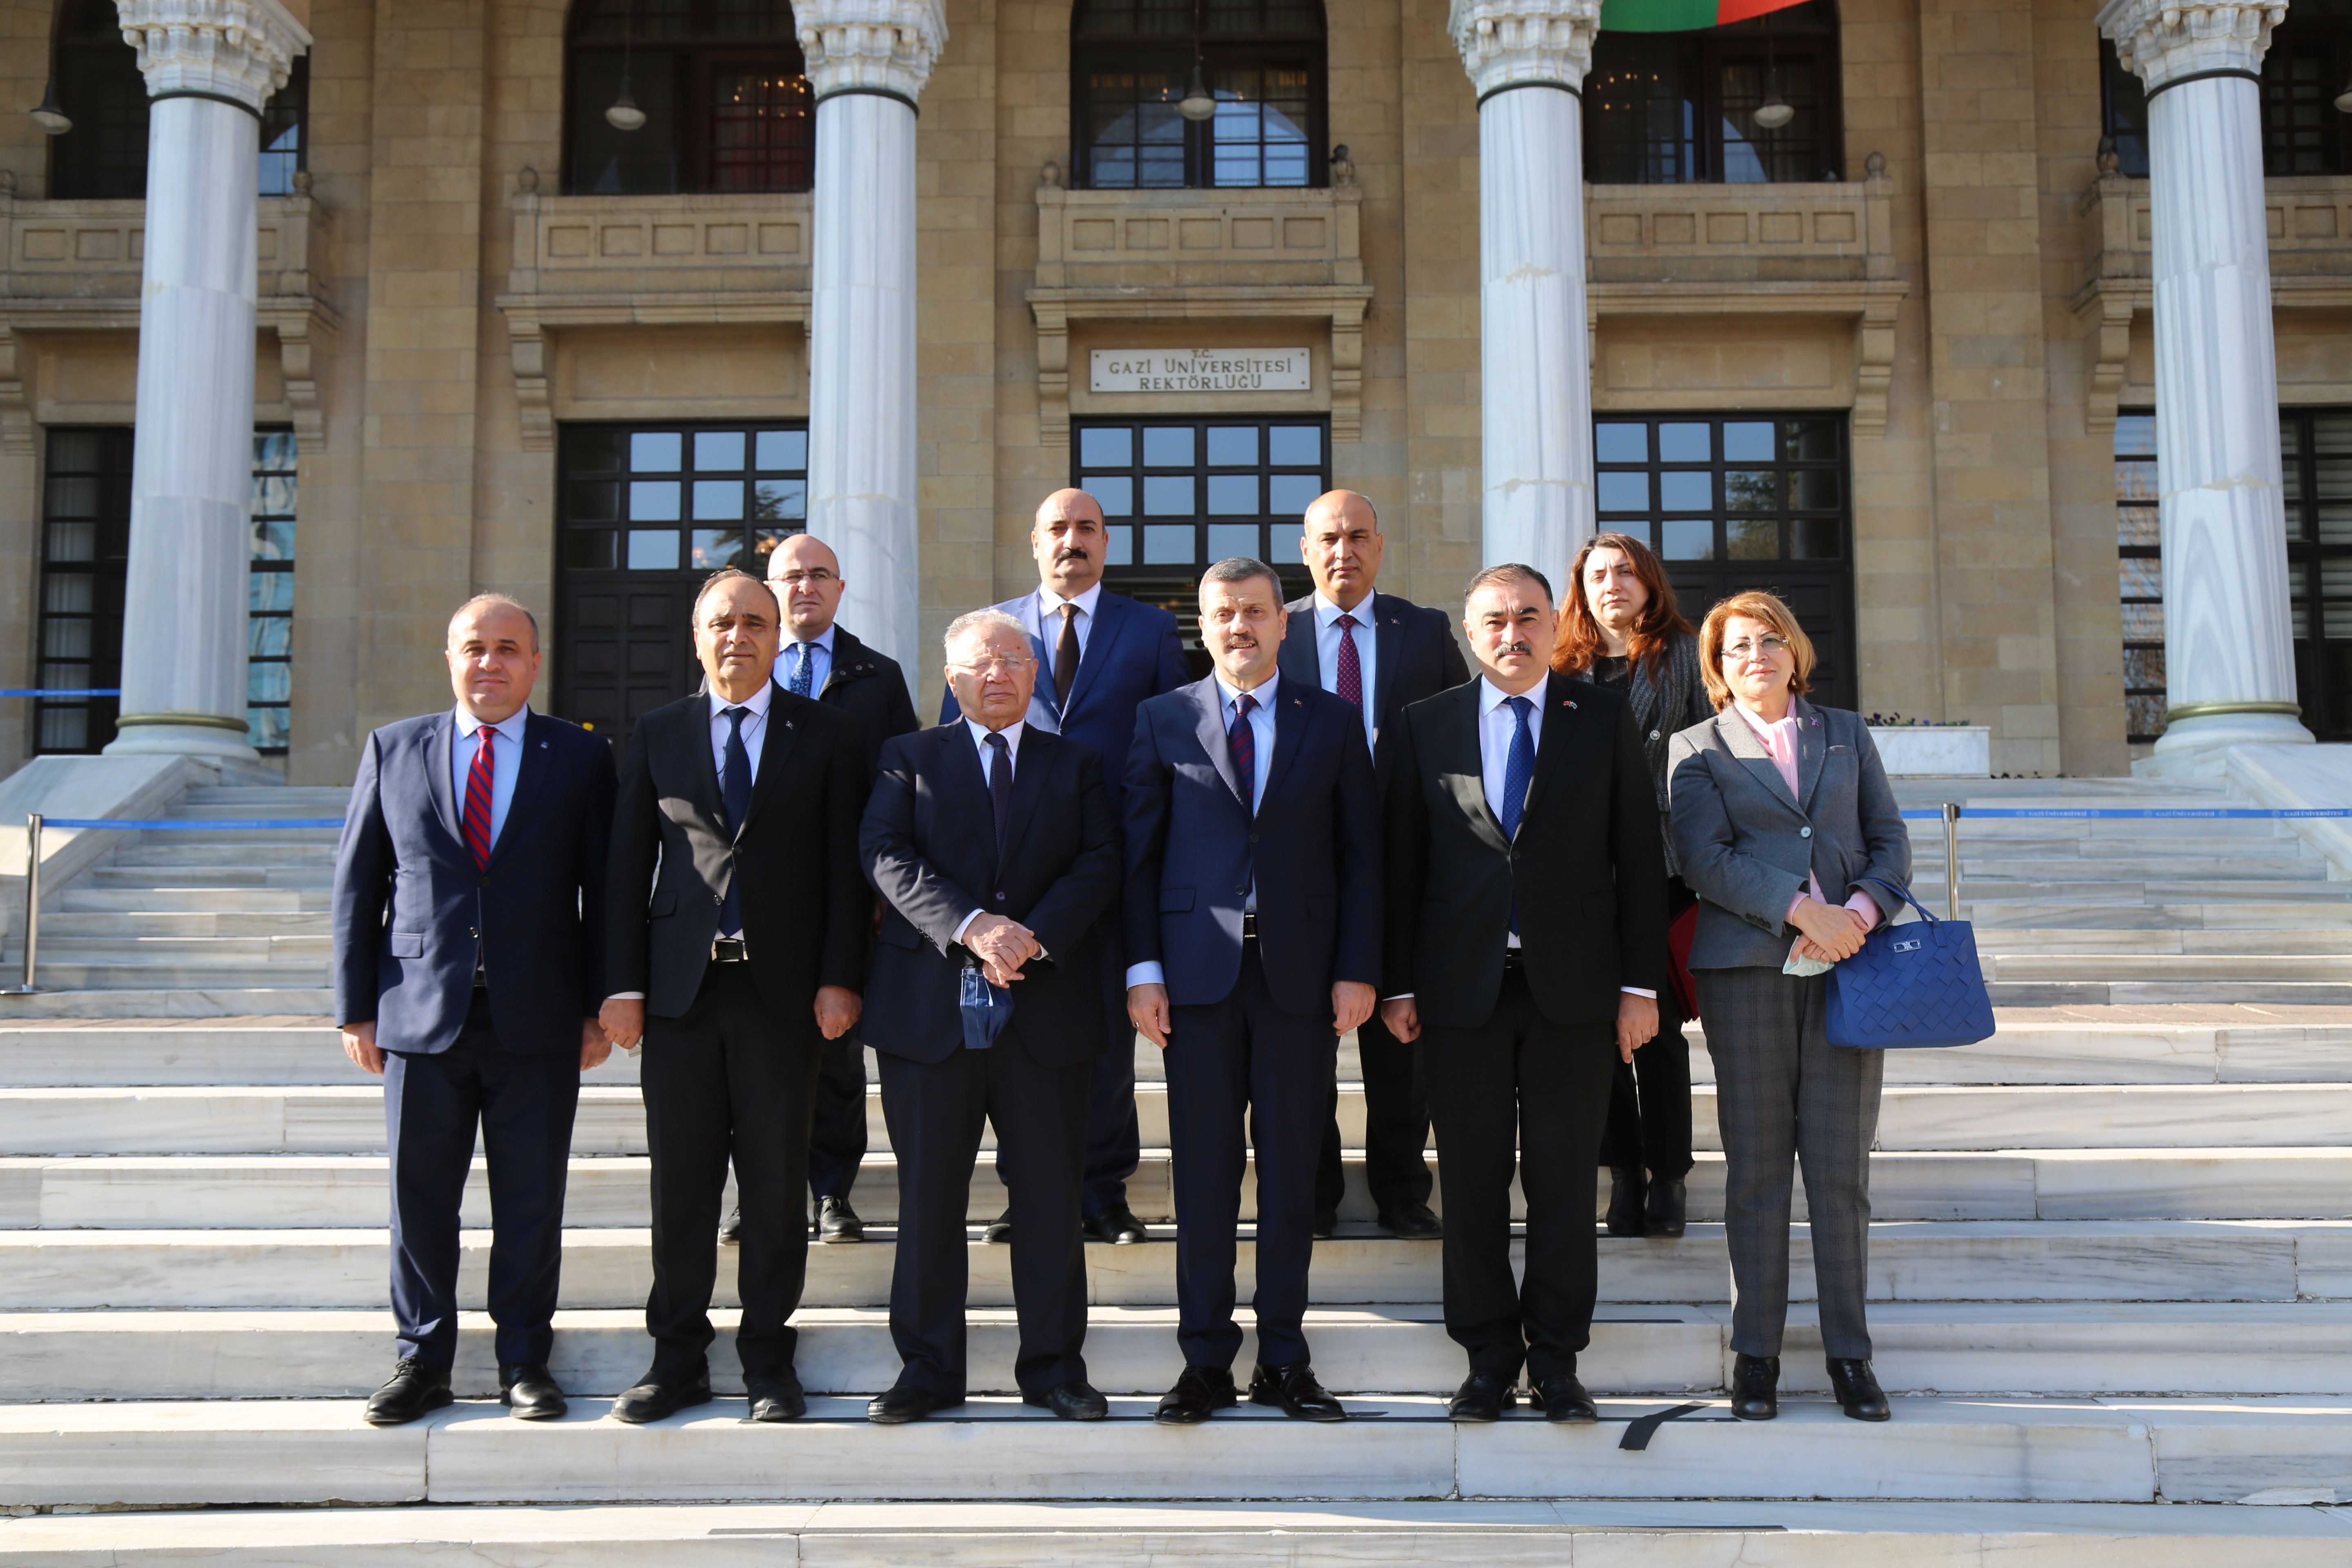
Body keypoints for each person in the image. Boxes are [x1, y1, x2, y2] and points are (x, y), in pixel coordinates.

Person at [1380, 564, 1666, 1425]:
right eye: (1496, 620)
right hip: (1458, 993)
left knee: (1563, 1183)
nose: (1514, 633)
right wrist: (1395, 981)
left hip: (1573, 993)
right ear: (1472, 633)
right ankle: (1486, 1360)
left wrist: (1639, 985)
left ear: (1554, 625)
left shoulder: (1604, 717)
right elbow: (1400, 863)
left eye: (1530, 618)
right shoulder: (1423, 725)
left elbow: (1639, 858)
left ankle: (1557, 1359)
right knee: (1468, 1184)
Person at [331, 594, 615, 1426]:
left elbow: (605, 892)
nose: (489, 663)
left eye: (507, 649)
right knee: (420, 1198)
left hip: (538, 1016)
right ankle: (422, 1361)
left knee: (532, 1199)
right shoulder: (393, 749)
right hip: (419, 1015)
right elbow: (358, 887)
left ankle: (524, 1360)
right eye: (473, 648)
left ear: (535, 662)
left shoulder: (579, 758)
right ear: (449, 658)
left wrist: (599, 1006)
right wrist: (355, 1007)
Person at [599, 568, 871, 1425]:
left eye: (756, 622)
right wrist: (621, 985)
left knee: (774, 1177)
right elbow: (620, 872)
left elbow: (843, 870)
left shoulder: (823, 733)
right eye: (722, 623)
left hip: (782, 995)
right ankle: (675, 1357)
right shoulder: (659, 731)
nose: (738, 637)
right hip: (680, 994)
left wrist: (840, 978)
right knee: (681, 1184)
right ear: (698, 637)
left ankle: (766, 1360)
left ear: (778, 635)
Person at [1124, 558, 1381, 1426]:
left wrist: (1358, 968)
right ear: (1204, 624)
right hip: (1194, 983)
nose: (1240, 627)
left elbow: (1361, 857)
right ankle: (1204, 1361)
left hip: (1301, 981)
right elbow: (1140, 857)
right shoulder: (1162, 719)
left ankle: (1284, 1358)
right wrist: (1143, 969)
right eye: (1223, 614)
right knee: (1202, 1176)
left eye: (1256, 612)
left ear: (1283, 623)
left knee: (1289, 1176)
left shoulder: (1334, 721)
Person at [857, 609, 1123, 1423]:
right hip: (930, 1015)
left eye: (1014, 660)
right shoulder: (907, 758)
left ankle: (1053, 1368)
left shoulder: (1076, 764)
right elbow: (884, 852)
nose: (998, 674)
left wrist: (1027, 940)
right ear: (952, 679)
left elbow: (1101, 859)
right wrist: (975, 928)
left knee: (1048, 1200)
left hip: (1046, 1015)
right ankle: (929, 1370)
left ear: (1036, 675)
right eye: (980, 663)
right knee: (929, 1198)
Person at [1666, 590, 1910, 1425]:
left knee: (1841, 1174)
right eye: (1737, 647)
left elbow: (1890, 840)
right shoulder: (1696, 747)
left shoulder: (1845, 733)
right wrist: (1800, 910)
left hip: (1850, 971)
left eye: (1770, 640)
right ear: (1718, 666)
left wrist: (1860, 917)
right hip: (1748, 976)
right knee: (1760, 1172)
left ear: (1795, 650)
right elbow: (1703, 857)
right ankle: (1757, 1358)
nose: (1756, 656)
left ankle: (1851, 1356)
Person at [943, 489, 1189, 1245]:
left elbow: (1175, 740)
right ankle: (1030, 1190)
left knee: (1105, 1040)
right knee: (1024, 1039)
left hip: (1109, 862)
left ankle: (1104, 1191)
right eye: (1058, 528)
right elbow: (955, 745)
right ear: (1034, 541)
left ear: (1106, 543)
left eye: (1086, 529)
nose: (1071, 541)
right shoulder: (994, 630)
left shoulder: (1149, 630)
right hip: (1012, 866)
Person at [708, 533, 921, 1250]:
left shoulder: (876, 676)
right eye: (790, 576)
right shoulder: (737, 666)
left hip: (841, 891)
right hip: (750, 896)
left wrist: (888, 888)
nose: (805, 587)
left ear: (840, 587)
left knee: (835, 1054)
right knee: (750, 1055)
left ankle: (832, 1190)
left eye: (818, 575)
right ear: (771, 591)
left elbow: (902, 785)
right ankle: (756, 1193)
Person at [1278, 489, 1467, 1243]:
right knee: (1303, 1049)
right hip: (1301, 871)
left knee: (1401, 1047)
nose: (1343, 551)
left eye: (1359, 536)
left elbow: (1459, 734)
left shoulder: (1422, 631)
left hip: (1401, 869)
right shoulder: (1274, 630)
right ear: (1306, 550)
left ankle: (1401, 1191)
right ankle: (1316, 1194)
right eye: (1328, 538)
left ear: (1380, 546)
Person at [1552, 531, 1712, 1240]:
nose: (1611, 585)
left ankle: (1669, 1174)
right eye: (1597, 575)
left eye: (1625, 572)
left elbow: (1716, 749)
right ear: (1581, 590)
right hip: (1582, 871)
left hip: (1666, 864)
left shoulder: (1685, 656)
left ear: (1649, 583)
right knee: (1596, 1032)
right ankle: (1621, 1172)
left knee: (1658, 1030)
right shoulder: (1559, 667)